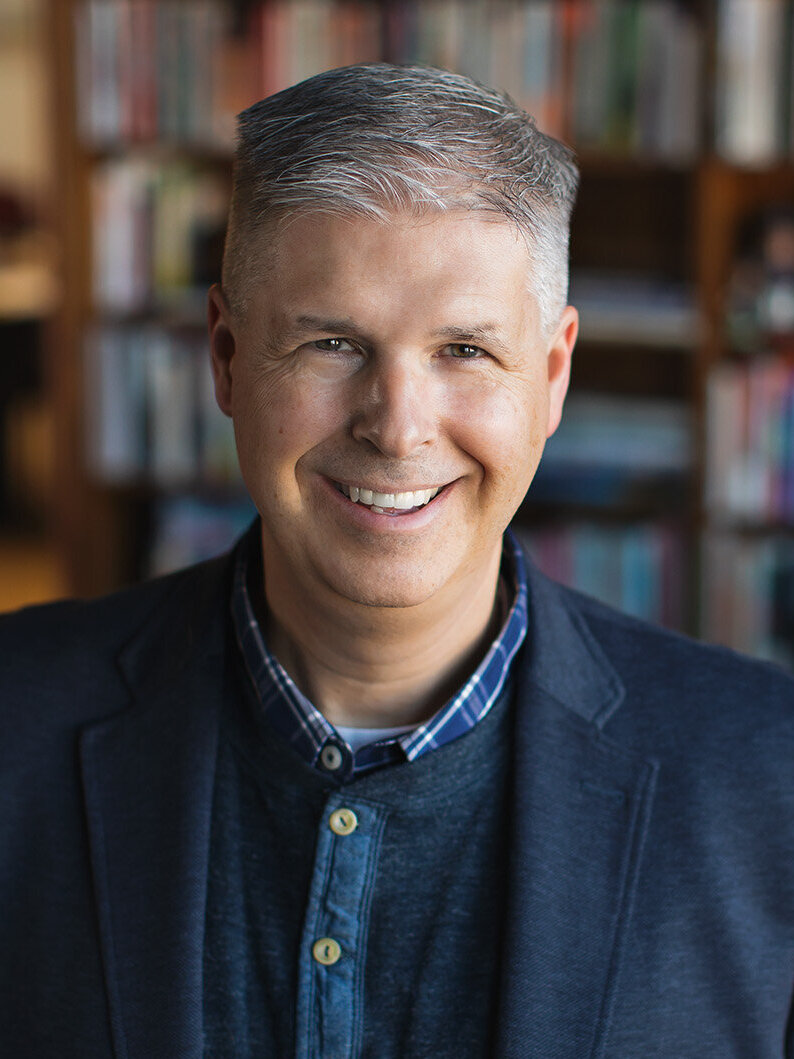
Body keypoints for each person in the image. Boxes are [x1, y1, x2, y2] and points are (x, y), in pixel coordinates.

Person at [1, 63, 793, 1059]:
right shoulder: (12, 725)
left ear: (549, 377)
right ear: (226, 357)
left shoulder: (769, 779)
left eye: (463, 350)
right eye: (332, 343)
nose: (395, 427)